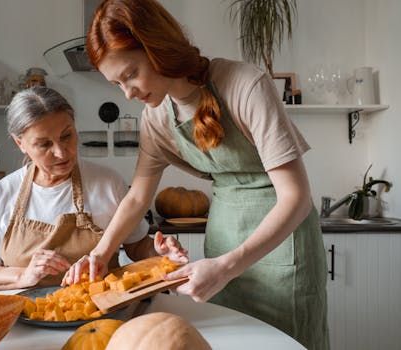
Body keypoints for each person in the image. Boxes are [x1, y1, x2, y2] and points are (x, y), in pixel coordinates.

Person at [64, 0, 329, 348]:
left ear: (158, 48)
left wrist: (228, 266)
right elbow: (137, 197)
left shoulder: (245, 85)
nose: (128, 92)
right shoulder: (157, 118)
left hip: (282, 246)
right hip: (222, 241)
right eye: (117, 83)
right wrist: (99, 253)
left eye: (130, 74)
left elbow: (295, 198)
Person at [0, 86, 188, 290]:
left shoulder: (108, 183)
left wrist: (160, 253)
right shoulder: (4, 193)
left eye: (67, 136)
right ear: (20, 143)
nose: (62, 152)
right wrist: (23, 276)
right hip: (23, 319)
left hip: (100, 318)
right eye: (44, 144)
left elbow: (136, 245)